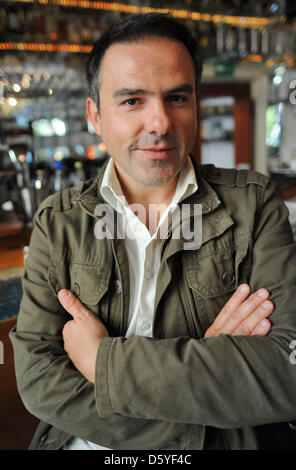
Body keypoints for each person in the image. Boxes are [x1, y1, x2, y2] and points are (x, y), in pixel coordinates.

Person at [10, 13, 296, 450]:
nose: (160, 122)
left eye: (177, 97)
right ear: (95, 115)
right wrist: (208, 372)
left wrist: (101, 361)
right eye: (132, 101)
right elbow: (38, 381)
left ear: (196, 104)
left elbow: (284, 373)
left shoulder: (254, 205)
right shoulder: (59, 220)